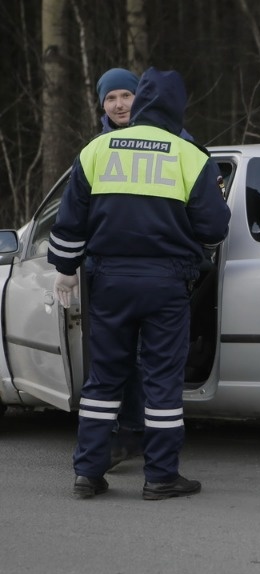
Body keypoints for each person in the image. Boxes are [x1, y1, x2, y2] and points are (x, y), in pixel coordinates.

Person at [49, 67, 231, 500]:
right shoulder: (189, 154)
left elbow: (69, 220)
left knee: (104, 378)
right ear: (177, 106)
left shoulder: (97, 149)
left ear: (140, 101)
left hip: (108, 281)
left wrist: (64, 266)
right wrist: (191, 244)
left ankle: (88, 474)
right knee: (162, 380)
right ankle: (161, 477)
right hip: (166, 283)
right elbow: (214, 227)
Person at [94, 68, 148, 467]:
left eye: (126, 95)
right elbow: (81, 211)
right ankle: (126, 433)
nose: (119, 105)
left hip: (156, 269)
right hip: (108, 271)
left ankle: (137, 433)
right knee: (119, 359)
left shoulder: (168, 142)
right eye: (110, 98)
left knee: (144, 358)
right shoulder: (96, 148)